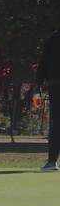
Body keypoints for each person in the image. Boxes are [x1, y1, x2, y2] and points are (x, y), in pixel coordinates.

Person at [37, 28, 60, 171]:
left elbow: (44, 59)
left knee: (57, 123)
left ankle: (52, 161)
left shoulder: (54, 37)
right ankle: (51, 161)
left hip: (56, 84)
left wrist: (39, 82)